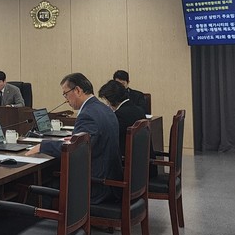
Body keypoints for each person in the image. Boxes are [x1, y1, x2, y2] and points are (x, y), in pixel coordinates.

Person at [30, 73, 122, 205]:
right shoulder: (104, 109)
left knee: (40, 185)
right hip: (109, 180)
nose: (66, 100)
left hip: (96, 186)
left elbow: (76, 151)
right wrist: (75, 139)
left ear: (78, 90)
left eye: (66, 94)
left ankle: (45, 217)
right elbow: (93, 141)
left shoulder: (87, 115)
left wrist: (42, 146)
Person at [99, 79, 156, 177]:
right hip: (145, 168)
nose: (106, 104)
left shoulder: (119, 115)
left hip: (130, 172)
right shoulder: (139, 110)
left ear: (112, 100)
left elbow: (110, 141)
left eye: (106, 101)